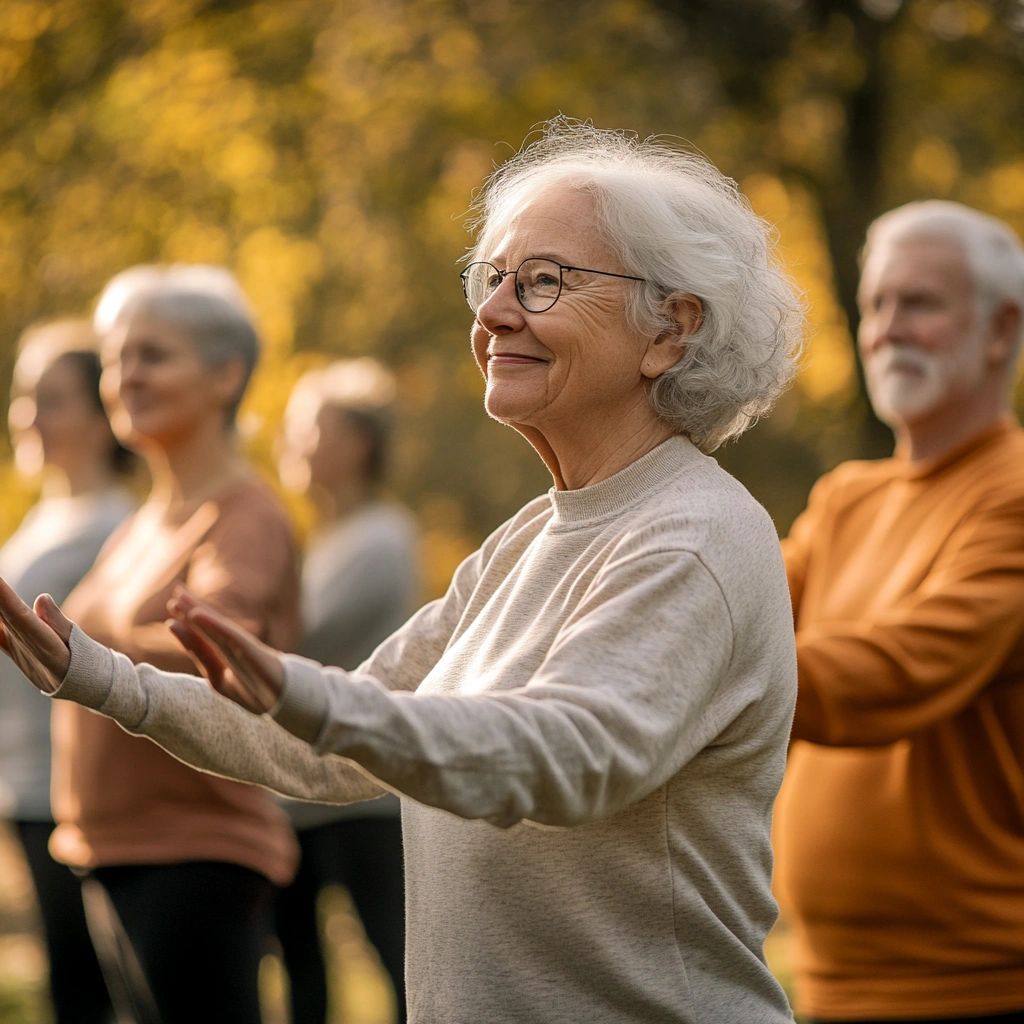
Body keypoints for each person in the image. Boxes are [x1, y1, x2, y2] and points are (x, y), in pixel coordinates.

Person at [0, 121, 804, 1023]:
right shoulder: (526, 540)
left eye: (542, 282)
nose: (495, 312)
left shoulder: (695, 536)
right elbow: (325, 746)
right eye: (489, 279)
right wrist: (100, 677)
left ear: (672, 328)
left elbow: (566, 755)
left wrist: (315, 699)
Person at [773, 201, 1024, 1023]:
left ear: (1000, 329)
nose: (885, 329)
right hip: (830, 983)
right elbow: (739, 612)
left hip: (979, 989)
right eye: (875, 304)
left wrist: (696, 671)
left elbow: (897, 671)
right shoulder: (846, 498)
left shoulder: (1013, 494)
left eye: (918, 303)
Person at [48, 266, 301, 1024]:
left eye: (153, 355)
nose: (126, 376)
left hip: (194, 853)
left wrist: (77, 646)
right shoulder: (142, 523)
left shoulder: (244, 515)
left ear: (226, 375)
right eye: (117, 358)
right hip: (112, 849)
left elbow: (223, 652)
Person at [0, 320, 134, 1024]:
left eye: (52, 399)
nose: (29, 416)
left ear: (101, 413)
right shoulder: (44, 517)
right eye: (25, 397)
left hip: (75, 791)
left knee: (91, 991)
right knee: (67, 983)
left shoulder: (118, 523)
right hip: (22, 782)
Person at [275, 359, 416, 1024]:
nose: (291, 442)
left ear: (357, 443)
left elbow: (295, 641)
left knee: (398, 957)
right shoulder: (319, 544)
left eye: (309, 428)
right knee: (300, 970)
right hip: (296, 792)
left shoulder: (381, 540)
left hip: (361, 794)